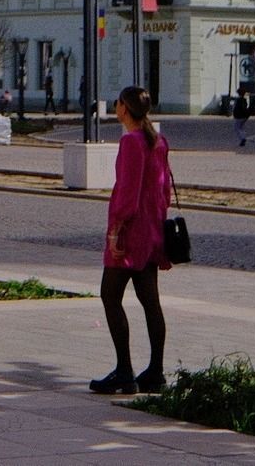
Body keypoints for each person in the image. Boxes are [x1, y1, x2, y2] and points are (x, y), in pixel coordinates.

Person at [92, 85, 173, 395]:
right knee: (151, 301)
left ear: (124, 108)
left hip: (130, 234)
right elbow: (163, 190)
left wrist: (116, 229)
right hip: (152, 230)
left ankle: (125, 371)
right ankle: (156, 371)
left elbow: (128, 191)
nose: (116, 107)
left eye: (117, 103)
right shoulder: (158, 141)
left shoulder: (131, 142)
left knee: (109, 295)